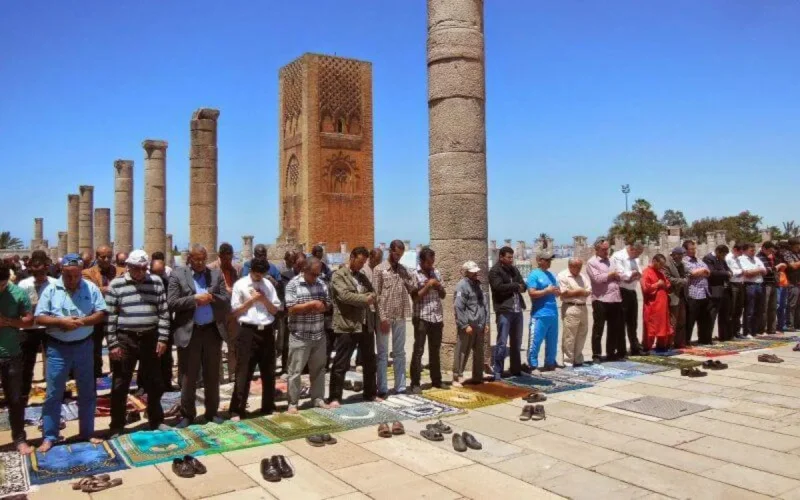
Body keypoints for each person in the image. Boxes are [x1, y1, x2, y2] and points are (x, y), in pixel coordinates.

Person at [34, 254, 106, 450]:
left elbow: (101, 312)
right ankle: (50, 435)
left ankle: (87, 432)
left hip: (84, 345)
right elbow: (39, 317)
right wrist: (60, 322)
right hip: (58, 347)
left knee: (87, 391)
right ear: (61, 272)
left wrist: (81, 322)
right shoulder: (50, 289)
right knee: (54, 392)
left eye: (76, 276)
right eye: (68, 276)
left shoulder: (90, 288)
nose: (72, 280)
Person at [105, 250, 171, 437]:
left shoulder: (156, 282)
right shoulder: (116, 285)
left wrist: (163, 338)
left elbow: (163, 312)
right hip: (126, 338)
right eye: (137, 269)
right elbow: (110, 317)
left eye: (144, 269)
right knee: (120, 382)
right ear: (128, 267)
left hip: (150, 337)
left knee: (154, 382)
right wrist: (112, 344)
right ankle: (117, 424)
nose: (141, 273)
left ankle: (156, 420)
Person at [168, 244, 230, 428]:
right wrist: (194, 299)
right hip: (190, 331)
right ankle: (187, 414)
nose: (201, 263)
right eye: (197, 259)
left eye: (203, 259)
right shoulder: (178, 275)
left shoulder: (216, 274)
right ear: (189, 259)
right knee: (189, 375)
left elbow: (226, 300)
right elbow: (172, 302)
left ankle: (212, 412)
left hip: (211, 331)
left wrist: (211, 298)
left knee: (212, 374)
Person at [229, 257, 281, 419]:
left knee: (268, 371)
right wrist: (252, 301)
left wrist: (263, 299)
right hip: (248, 332)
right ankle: (237, 409)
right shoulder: (241, 285)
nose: (259, 277)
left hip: (266, 331)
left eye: (262, 274)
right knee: (244, 371)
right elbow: (235, 311)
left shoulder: (268, 285)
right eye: (256, 274)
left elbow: (275, 310)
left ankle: (267, 406)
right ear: (251, 270)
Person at [329, 247, 378, 407]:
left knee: (369, 361)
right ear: (352, 257)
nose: (361, 265)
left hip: (364, 324)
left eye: (364, 262)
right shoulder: (338, 275)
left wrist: (369, 297)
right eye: (359, 261)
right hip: (347, 325)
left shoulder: (363, 277)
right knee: (341, 363)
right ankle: (335, 397)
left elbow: (373, 293)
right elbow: (344, 296)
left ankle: (370, 393)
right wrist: (365, 299)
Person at [284, 257, 331, 413]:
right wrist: (311, 305)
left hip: (318, 334)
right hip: (300, 335)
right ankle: (293, 402)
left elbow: (328, 304)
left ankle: (317, 398)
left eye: (318, 274)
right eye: (313, 274)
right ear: (304, 270)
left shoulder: (321, 283)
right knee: (295, 371)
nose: (315, 277)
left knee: (319, 369)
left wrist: (321, 306)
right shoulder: (293, 284)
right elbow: (290, 308)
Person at [0, 262, 35, 454]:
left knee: (15, 399)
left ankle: (19, 438)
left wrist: (7, 321)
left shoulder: (18, 293)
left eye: (2, 285)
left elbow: (29, 320)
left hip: (12, 353)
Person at [373, 240, 415, 397]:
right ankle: (382, 388)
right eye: (397, 254)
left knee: (399, 352)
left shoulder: (403, 270)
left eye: (401, 255)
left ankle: (400, 386)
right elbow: (376, 296)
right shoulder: (380, 270)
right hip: (385, 317)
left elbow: (413, 286)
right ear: (390, 251)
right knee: (383, 353)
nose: (398, 257)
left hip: (400, 315)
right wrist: (382, 318)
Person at [17, 253, 56, 402]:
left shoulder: (54, 284)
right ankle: (22, 397)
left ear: (47, 268)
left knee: (53, 362)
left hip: (48, 328)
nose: (38, 275)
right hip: (28, 329)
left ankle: (53, 396)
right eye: (35, 272)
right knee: (26, 364)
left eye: (41, 272)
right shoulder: (24, 284)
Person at [82, 244, 124, 378]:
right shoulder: (87, 273)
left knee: (117, 347)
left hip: (116, 316)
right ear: (97, 257)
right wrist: (110, 288)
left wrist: (101, 289)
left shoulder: (121, 271)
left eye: (109, 257)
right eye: (103, 257)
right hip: (96, 316)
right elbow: (90, 291)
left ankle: (116, 373)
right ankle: (96, 375)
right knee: (95, 349)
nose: (106, 259)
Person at [409, 247, 445, 393]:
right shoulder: (414, 275)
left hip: (436, 316)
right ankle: (415, 383)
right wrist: (428, 285)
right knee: (418, 350)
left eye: (433, 262)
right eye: (428, 263)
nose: (431, 265)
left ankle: (436, 380)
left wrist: (438, 286)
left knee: (435, 350)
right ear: (422, 261)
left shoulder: (436, 273)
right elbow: (415, 297)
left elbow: (443, 295)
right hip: (422, 317)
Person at [489, 246, 527, 378]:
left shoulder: (514, 269)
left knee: (516, 342)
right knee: (502, 342)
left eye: (512, 257)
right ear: (501, 257)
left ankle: (515, 369)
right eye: (509, 257)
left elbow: (524, 285)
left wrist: (518, 286)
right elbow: (498, 287)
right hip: (504, 310)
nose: (511, 260)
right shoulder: (495, 271)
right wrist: (516, 286)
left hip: (517, 310)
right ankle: (498, 371)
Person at [587, 238, 625, 361]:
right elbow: (597, 279)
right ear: (597, 249)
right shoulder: (591, 263)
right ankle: (596, 354)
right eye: (603, 249)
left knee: (614, 327)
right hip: (600, 299)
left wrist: (618, 276)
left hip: (615, 298)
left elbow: (618, 275)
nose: (606, 252)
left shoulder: (612, 260)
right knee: (599, 328)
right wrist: (610, 275)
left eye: (607, 249)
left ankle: (611, 352)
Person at [453, 261, 489, 387]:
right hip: (468, 325)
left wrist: (486, 322)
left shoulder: (478, 285)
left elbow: (484, 305)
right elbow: (458, 307)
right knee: (462, 351)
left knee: (479, 352)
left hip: (479, 324)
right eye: (473, 272)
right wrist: (464, 325)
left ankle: (478, 376)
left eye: (476, 272)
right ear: (467, 272)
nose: (476, 274)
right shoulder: (461, 286)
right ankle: (457, 376)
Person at [207, 243, 240, 382]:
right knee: (217, 347)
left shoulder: (236, 269)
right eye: (225, 259)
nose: (228, 262)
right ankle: (218, 377)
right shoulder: (210, 269)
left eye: (230, 259)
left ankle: (233, 374)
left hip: (232, 313)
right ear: (219, 257)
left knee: (234, 344)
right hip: (217, 313)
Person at [526, 250, 560, 371]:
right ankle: (533, 364)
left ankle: (550, 362)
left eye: (550, 260)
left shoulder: (551, 275)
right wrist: (547, 291)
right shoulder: (534, 275)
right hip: (540, 313)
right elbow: (532, 293)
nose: (549, 262)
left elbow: (555, 291)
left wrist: (557, 292)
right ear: (539, 260)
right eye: (546, 260)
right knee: (536, 341)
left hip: (553, 313)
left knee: (552, 341)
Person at [611, 242, 645, 355]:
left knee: (633, 322)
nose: (638, 256)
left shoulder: (636, 259)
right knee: (621, 322)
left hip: (632, 291)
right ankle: (621, 349)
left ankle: (635, 347)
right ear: (631, 249)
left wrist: (632, 275)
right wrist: (631, 275)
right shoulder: (618, 256)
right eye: (637, 253)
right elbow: (621, 275)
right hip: (621, 291)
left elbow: (639, 273)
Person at [557, 258, 591, 367]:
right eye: (577, 267)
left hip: (583, 307)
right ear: (571, 266)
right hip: (571, 307)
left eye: (580, 267)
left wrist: (576, 292)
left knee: (582, 334)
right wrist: (580, 291)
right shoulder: (563, 275)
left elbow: (588, 291)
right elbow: (564, 293)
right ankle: (568, 361)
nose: (579, 269)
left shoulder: (582, 277)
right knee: (569, 336)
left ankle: (578, 359)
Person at [277, 252, 305, 375]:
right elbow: (282, 295)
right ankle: (285, 367)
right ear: (294, 264)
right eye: (299, 265)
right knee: (287, 342)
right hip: (288, 314)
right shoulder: (285, 276)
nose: (301, 268)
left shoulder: (307, 277)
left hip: (304, 314)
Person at [149, 259, 175, 390]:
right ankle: (147, 384)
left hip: (165, 323)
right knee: (149, 357)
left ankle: (167, 383)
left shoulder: (167, 283)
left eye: (161, 273)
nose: (158, 276)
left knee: (166, 357)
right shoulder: (146, 283)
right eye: (155, 273)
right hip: (150, 326)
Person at [683, 240, 713, 345]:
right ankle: (686, 341)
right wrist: (701, 271)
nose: (693, 251)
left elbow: (708, 271)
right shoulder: (684, 261)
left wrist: (701, 271)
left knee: (704, 319)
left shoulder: (699, 260)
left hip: (704, 293)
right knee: (690, 320)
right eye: (691, 249)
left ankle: (704, 339)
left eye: (694, 249)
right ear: (685, 250)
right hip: (693, 294)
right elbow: (692, 273)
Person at [641, 254, 673, 352]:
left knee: (663, 325)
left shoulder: (661, 273)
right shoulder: (646, 272)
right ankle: (647, 347)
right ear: (654, 261)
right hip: (652, 304)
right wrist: (657, 285)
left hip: (662, 305)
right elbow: (645, 288)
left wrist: (664, 284)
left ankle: (661, 345)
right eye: (660, 264)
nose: (661, 267)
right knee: (650, 326)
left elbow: (667, 283)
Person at [357, 248, 383, 367]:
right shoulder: (363, 271)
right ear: (371, 258)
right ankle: (360, 360)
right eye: (376, 260)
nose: (378, 263)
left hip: (377, 308)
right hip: (366, 308)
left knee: (376, 334)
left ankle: (372, 357)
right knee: (365, 335)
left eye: (380, 260)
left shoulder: (379, 270)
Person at [703, 245, 733, 341]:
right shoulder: (708, 259)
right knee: (712, 315)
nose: (724, 257)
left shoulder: (721, 259)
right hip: (714, 290)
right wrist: (725, 273)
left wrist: (725, 272)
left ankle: (724, 336)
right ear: (717, 252)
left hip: (723, 289)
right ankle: (707, 338)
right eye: (723, 255)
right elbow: (712, 273)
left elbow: (728, 270)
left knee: (725, 313)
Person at [739, 242, 767, 338]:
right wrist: (758, 270)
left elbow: (765, 270)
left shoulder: (756, 259)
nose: (753, 252)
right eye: (751, 250)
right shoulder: (742, 259)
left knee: (758, 309)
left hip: (759, 284)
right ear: (745, 250)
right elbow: (747, 273)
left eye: (754, 250)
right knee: (749, 309)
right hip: (749, 285)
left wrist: (757, 270)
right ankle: (747, 331)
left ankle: (755, 331)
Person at [663, 247, 687, 349]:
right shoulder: (667, 264)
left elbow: (687, 274)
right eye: (680, 255)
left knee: (681, 320)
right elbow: (667, 278)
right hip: (673, 295)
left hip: (682, 295)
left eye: (682, 255)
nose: (681, 257)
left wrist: (686, 279)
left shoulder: (682, 264)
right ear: (674, 254)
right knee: (673, 321)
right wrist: (681, 281)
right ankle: (669, 344)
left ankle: (679, 343)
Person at [758, 241, 782, 335]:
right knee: (764, 307)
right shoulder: (759, 257)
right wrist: (777, 267)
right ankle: (762, 329)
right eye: (770, 251)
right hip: (765, 284)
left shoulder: (768, 257)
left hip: (772, 284)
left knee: (773, 308)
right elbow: (765, 271)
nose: (771, 253)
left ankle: (771, 329)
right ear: (764, 248)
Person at [726, 244, 746, 338]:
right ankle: (730, 332)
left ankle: (736, 331)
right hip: (733, 284)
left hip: (740, 284)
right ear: (735, 249)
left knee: (739, 309)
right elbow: (731, 273)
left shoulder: (738, 258)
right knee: (732, 309)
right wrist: (741, 272)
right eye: (740, 251)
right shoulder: (728, 258)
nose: (741, 254)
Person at [782, 238, 800, 335]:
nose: (798, 247)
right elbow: (793, 266)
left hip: (798, 282)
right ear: (791, 246)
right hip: (791, 282)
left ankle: (797, 324)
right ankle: (789, 324)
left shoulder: (798, 253)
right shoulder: (787, 253)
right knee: (792, 304)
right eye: (797, 245)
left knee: (798, 305)